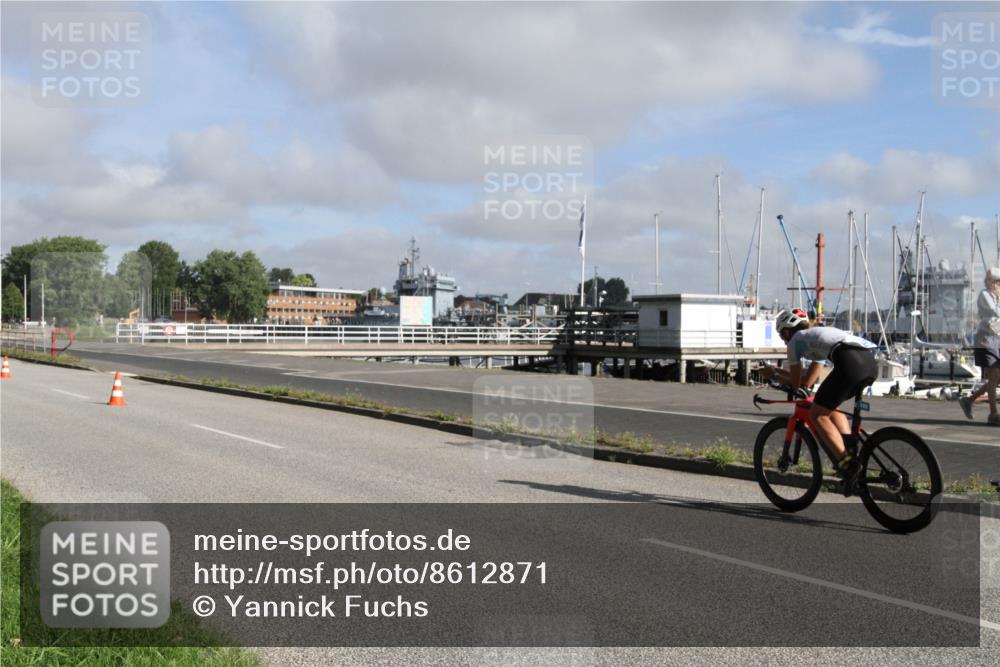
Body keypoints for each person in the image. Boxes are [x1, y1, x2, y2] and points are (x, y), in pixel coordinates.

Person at [761, 308, 878, 488]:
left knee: (817, 415)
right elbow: (807, 381)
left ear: (787, 332)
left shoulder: (795, 342)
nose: (784, 340)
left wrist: (774, 375)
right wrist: (779, 372)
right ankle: (849, 448)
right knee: (829, 406)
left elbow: (796, 384)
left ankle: (847, 464)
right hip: (869, 363)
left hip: (850, 364)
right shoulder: (816, 336)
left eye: (782, 335)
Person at [959, 267, 1000, 426]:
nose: (987, 282)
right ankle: (993, 413)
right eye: (988, 279)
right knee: (993, 374)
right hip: (986, 338)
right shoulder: (985, 295)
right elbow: (996, 312)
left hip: (997, 337)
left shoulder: (996, 296)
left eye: (991, 280)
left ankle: (969, 400)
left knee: (996, 377)